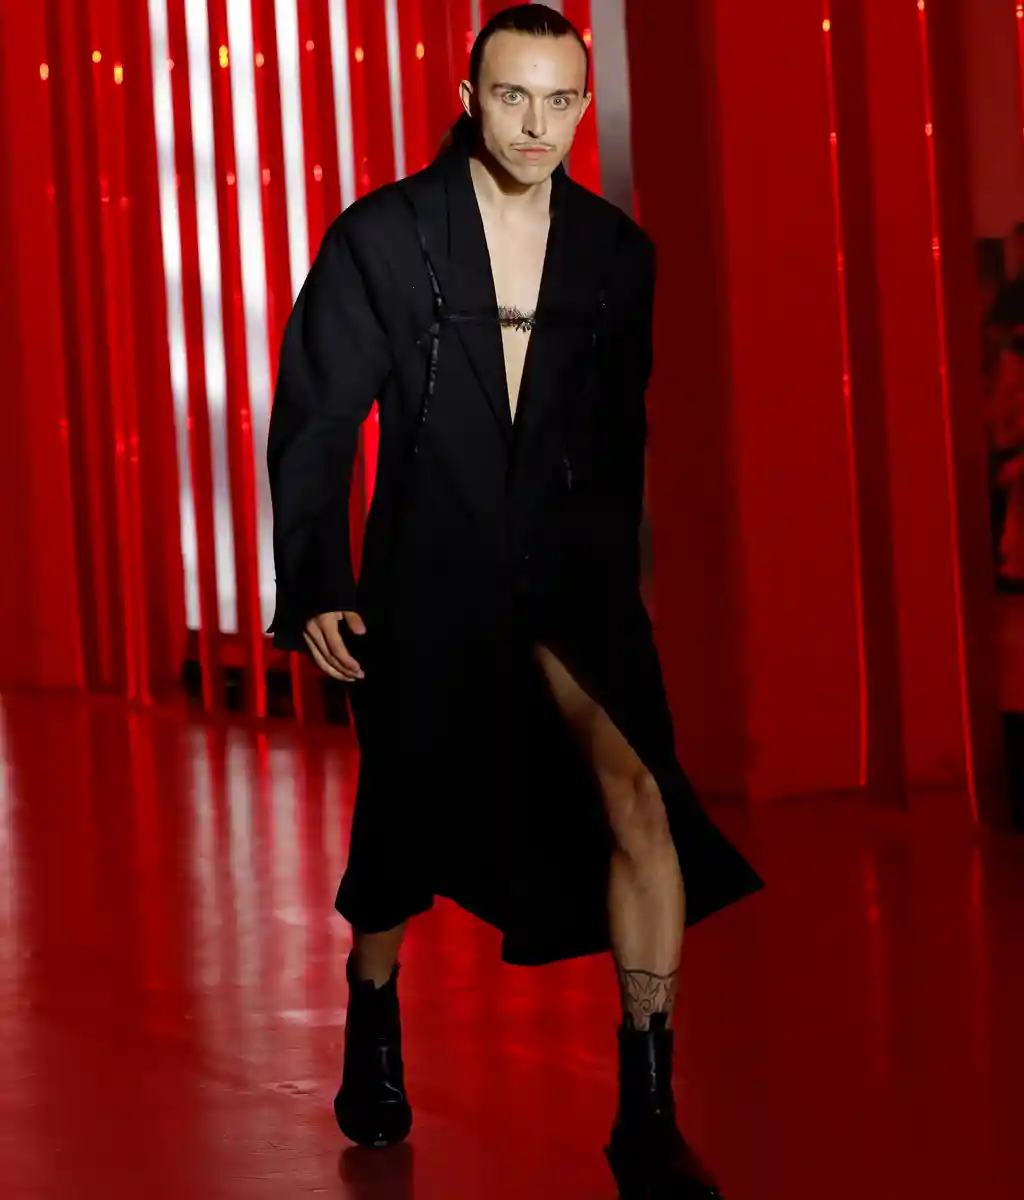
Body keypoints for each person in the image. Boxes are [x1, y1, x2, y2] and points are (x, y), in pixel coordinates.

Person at [267, 6, 763, 1195]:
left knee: (640, 797)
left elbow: (618, 436)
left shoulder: (616, 254)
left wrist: (616, 593)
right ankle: (372, 1001)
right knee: (400, 824)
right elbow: (318, 417)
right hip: (425, 572)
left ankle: (646, 1110)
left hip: (572, 581)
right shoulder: (385, 236)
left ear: (582, 106)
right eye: (511, 96)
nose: (535, 124)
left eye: (558, 100)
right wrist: (318, 579)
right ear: (469, 97)